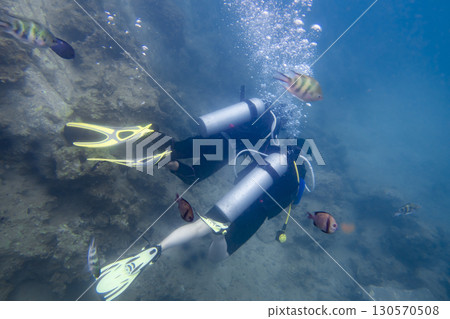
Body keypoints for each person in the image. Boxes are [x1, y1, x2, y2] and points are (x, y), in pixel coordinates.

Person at [65, 98, 310, 301]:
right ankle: (158, 248)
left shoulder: (263, 121)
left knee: (176, 149)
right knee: (210, 237)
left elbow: (243, 152)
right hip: (253, 200)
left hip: (225, 136)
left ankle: (142, 139)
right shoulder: (292, 165)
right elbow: (286, 195)